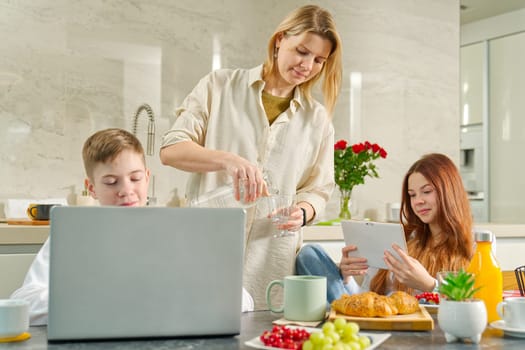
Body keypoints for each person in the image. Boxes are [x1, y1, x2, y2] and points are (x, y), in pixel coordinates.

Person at [159, 5, 342, 309]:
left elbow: (319, 188)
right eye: (302, 51)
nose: (307, 65)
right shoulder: (219, 87)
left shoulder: (317, 119)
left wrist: (304, 211)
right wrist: (227, 160)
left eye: (319, 60)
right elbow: (171, 149)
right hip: (207, 253)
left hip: (270, 263)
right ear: (280, 39)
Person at [10, 128, 254, 325]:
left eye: (135, 178)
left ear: (147, 177)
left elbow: (243, 299)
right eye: (111, 182)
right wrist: (105, 300)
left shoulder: (178, 233)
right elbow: (25, 303)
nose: (126, 190)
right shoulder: (71, 236)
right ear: (92, 187)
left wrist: (181, 296)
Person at [296, 153, 475, 302]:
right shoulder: (401, 237)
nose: (418, 201)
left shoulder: (476, 246)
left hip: (423, 322)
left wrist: (429, 285)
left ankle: (335, 320)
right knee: (309, 254)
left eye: (426, 192)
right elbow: (366, 295)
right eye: (412, 195)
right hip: (378, 315)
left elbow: (474, 304)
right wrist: (345, 277)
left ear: (449, 191)